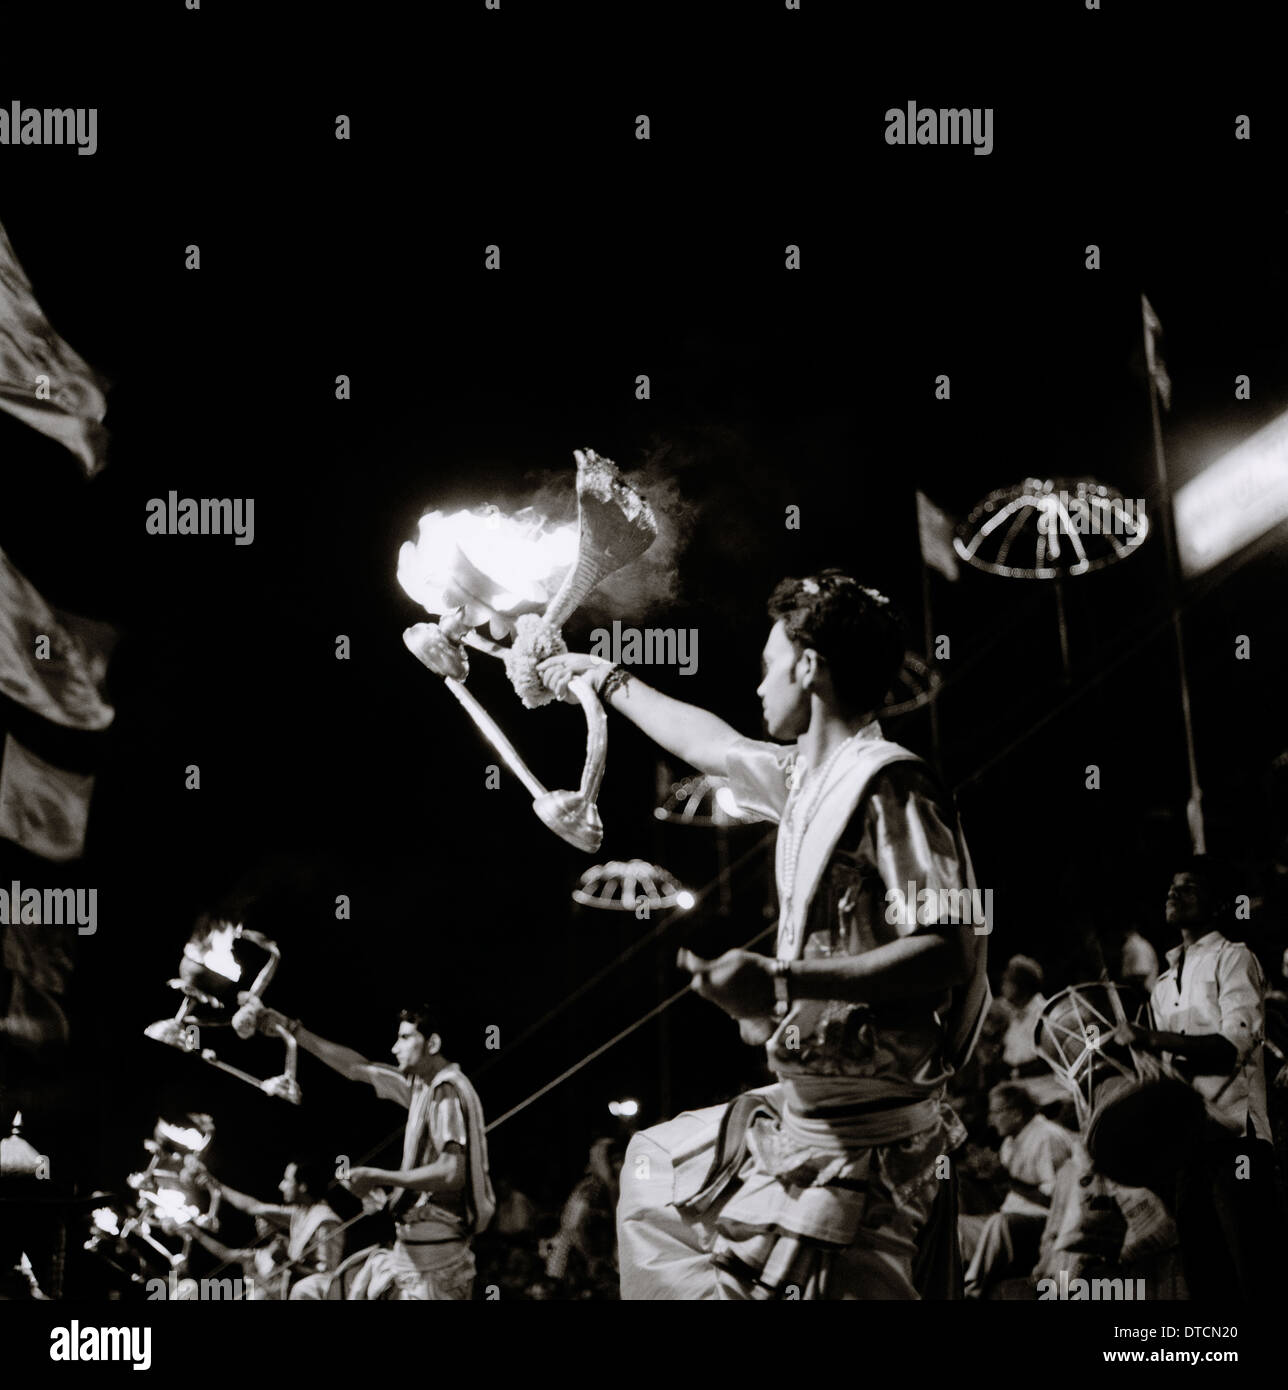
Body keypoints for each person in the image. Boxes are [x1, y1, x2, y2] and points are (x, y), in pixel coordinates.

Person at [541, 570, 990, 1299]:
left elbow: (946, 950)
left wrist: (778, 984)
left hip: (870, 1134)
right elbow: (715, 746)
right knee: (652, 1170)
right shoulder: (809, 779)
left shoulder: (887, 783)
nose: (757, 688)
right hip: (811, 1110)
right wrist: (609, 679)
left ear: (808, 667)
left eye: (766, 668)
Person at [240, 999, 495, 1300]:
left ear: (433, 1042)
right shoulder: (421, 1089)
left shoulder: (447, 1090)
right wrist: (291, 1028)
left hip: (435, 1269)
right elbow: (357, 1068)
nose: (394, 1048)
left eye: (404, 1038)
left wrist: (377, 1176)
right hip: (410, 1258)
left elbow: (452, 1172)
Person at [1125, 858, 1281, 1298]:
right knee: (1206, 1275)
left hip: (1237, 1139)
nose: (1174, 894)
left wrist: (1152, 1038)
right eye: (1172, 887)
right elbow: (1168, 1066)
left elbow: (1233, 1044)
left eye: (1189, 887)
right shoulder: (1160, 984)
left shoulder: (1234, 957)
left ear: (1215, 905)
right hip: (1189, 1143)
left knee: (1255, 1267)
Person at [961, 1083, 1075, 1297]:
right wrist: (989, 1176)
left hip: (1044, 1226)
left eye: (996, 1112)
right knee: (958, 1225)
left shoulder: (1046, 1138)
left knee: (999, 1224)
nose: (991, 1120)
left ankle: (971, 1292)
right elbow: (1011, 1196)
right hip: (1012, 1219)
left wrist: (1008, 1179)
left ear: (1015, 1114)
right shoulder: (1009, 1143)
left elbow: (1060, 1202)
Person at [190, 1158, 343, 1300]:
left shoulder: (325, 1221)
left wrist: (285, 1262)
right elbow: (255, 1207)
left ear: (302, 1186)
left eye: (287, 1180)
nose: (281, 1186)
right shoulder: (298, 1213)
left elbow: (326, 1277)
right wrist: (213, 1183)